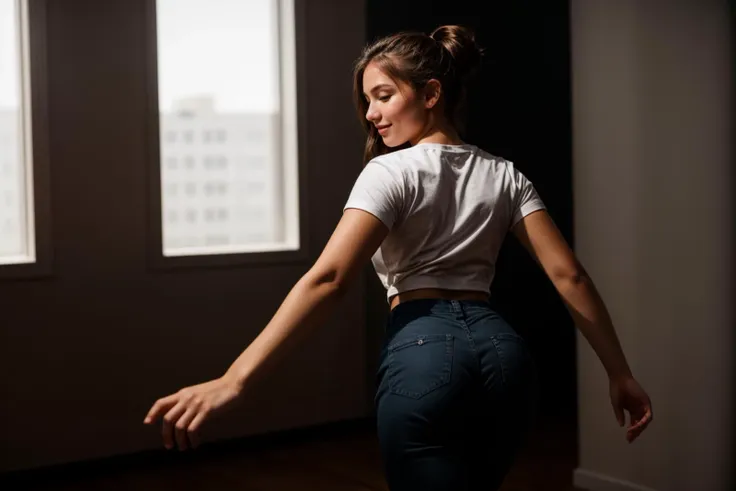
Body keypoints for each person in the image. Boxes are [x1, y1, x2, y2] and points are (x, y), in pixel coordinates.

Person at [144, 25, 653, 491]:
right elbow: (570, 274)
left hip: (422, 350)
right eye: (368, 101)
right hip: (506, 357)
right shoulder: (505, 174)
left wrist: (235, 380)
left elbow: (329, 279)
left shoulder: (390, 172)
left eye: (383, 96)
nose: (371, 114)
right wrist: (620, 372)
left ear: (431, 93)